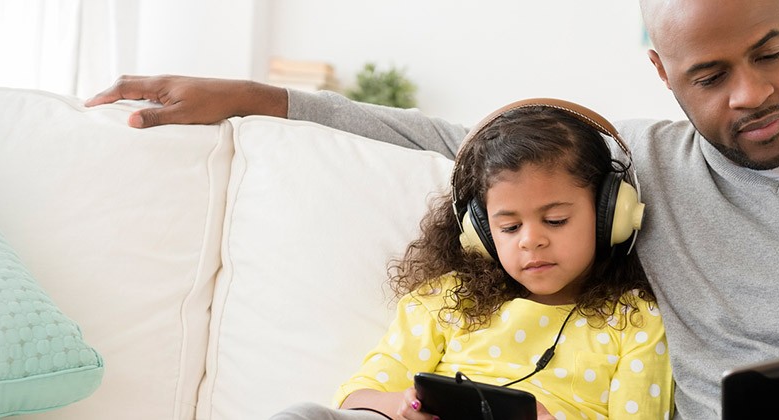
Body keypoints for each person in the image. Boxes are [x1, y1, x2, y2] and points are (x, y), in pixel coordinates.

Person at [87, 1, 779, 418]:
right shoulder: (644, 170)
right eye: (709, 75)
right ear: (661, 74)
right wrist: (254, 98)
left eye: (767, 53)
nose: (748, 95)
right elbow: (467, 146)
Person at [271, 99, 672, 420]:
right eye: (510, 228)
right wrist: (399, 406)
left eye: (555, 220)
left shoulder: (634, 321)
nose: (531, 241)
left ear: (610, 216)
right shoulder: (449, 300)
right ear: (480, 233)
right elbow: (355, 396)